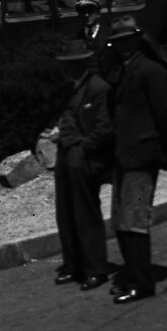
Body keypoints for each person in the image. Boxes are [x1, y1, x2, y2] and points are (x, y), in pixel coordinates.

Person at [101, 15, 167, 304]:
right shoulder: (121, 71)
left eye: (126, 40)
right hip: (123, 156)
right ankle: (131, 275)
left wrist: (159, 150)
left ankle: (141, 283)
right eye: (116, 42)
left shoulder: (150, 70)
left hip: (142, 157)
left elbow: (165, 116)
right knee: (121, 221)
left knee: (134, 221)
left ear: (137, 40)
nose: (121, 46)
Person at [51, 39, 115, 290]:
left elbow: (104, 128)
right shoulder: (68, 87)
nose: (70, 68)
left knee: (86, 215)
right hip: (65, 155)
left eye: (75, 63)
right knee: (66, 214)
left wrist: (83, 149)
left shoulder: (99, 88)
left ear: (85, 63)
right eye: (68, 63)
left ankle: (95, 268)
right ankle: (73, 265)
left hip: (84, 158)